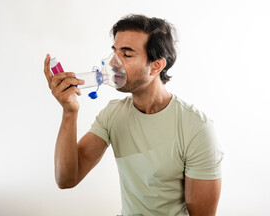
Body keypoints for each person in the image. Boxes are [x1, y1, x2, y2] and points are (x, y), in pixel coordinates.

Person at [43, 14, 223, 216]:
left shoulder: (196, 128)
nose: (113, 63)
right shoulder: (113, 114)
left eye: (126, 55)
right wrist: (69, 111)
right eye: (114, 52)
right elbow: (66, 179)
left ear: (156, 65)